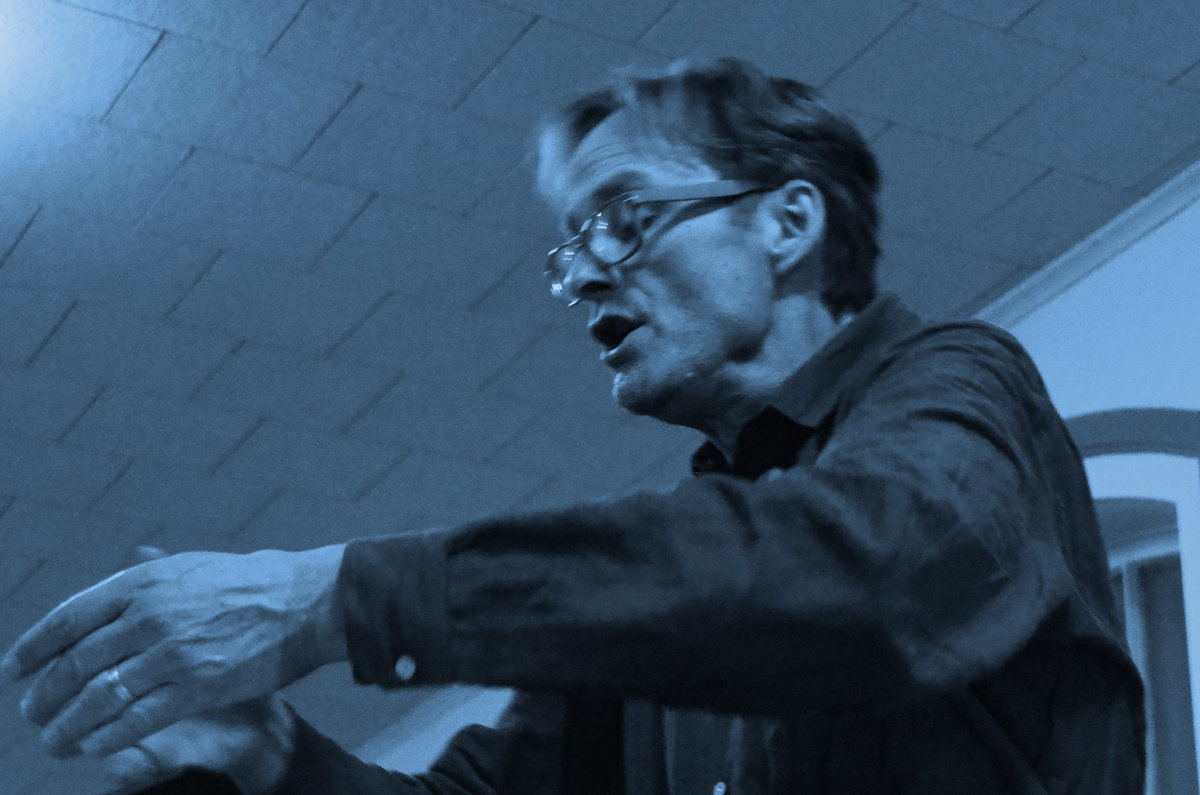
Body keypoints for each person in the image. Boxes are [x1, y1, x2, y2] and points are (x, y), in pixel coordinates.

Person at [3, 58, 1145, 794]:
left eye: (626, 219)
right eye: (573, 248)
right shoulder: (667, 584)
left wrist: (328, 599)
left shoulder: (956, 379)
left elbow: (870, 569)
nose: (587, 276)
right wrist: (274, 758)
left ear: (789, 222)